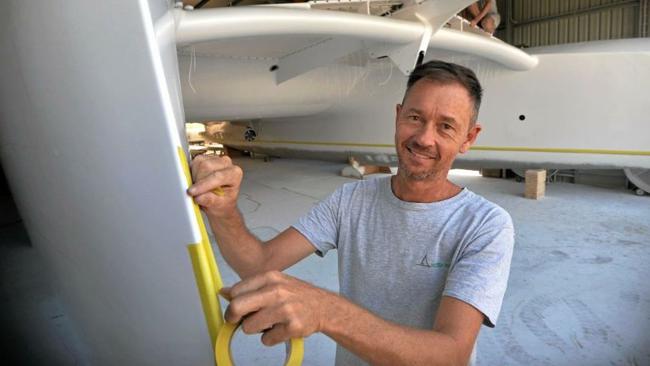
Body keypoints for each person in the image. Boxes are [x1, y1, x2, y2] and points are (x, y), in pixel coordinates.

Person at [187, 60, 514, 365]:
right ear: (398, 116)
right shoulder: (352, 199)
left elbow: (450, 353)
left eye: (445, 127)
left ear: (469, 138)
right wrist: (224, 209)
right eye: (415, 118)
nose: (424, 138)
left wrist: (326, 311)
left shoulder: (485, 225)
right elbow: (259, 263)